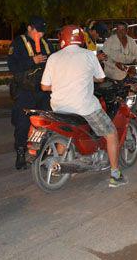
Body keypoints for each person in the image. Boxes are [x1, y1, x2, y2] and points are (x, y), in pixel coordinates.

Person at [40, 25, 127, 187]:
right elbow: (100, 78)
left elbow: (44, 87)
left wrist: (63, 85)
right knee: (111, 133)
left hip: (59, 106)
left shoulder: (53, 57)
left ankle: (61, 163)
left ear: (62, 39)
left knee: (64, 131)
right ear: (80, 39)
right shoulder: (88, 55)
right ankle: (115, 174)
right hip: (83, 106)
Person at [8, 16, 52, 170]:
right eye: (37, 31)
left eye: (42, 32)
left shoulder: (46, 44)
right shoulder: (19, 43)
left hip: (43, 90)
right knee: (23, 123)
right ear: (29, 28)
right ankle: (21, 153)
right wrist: (32, 61)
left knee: (44, 122)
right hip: (25, 90)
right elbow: (12, 66)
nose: (39, 35)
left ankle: (43, 153)